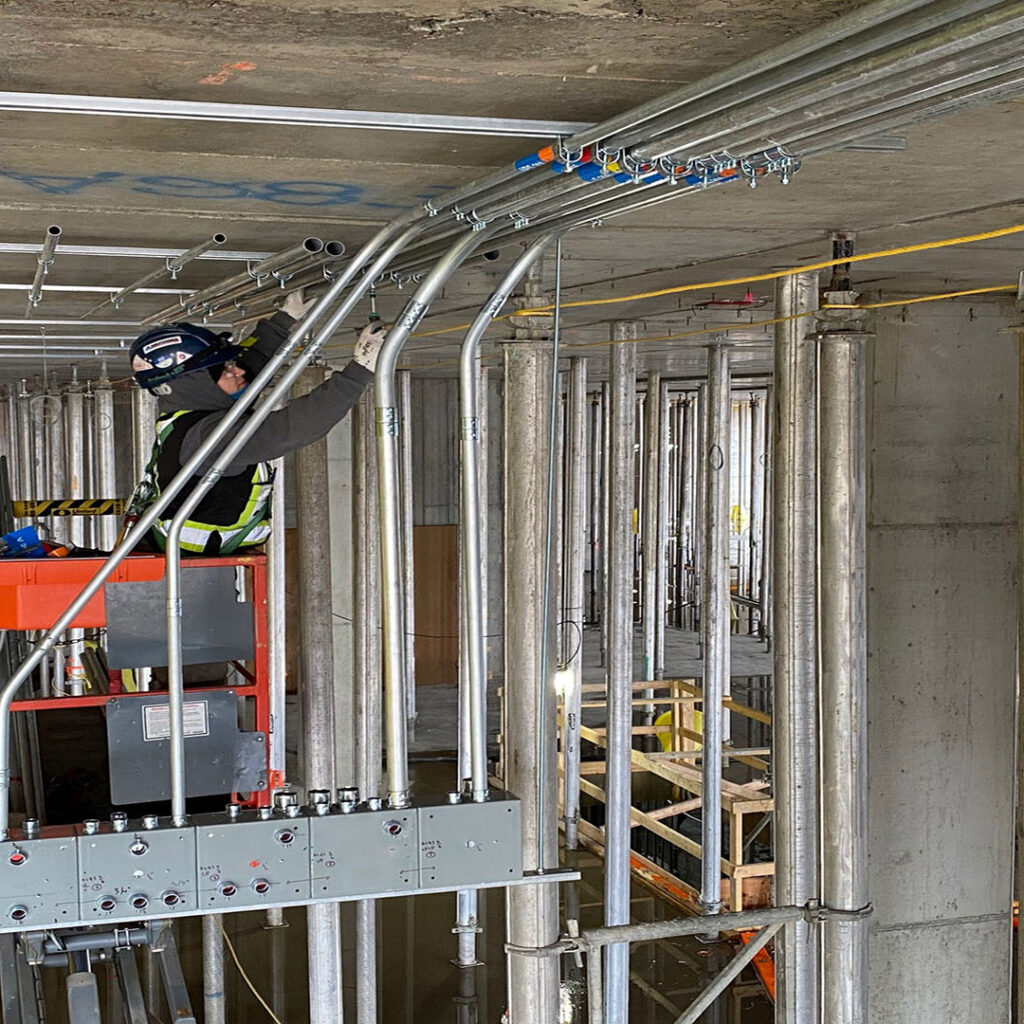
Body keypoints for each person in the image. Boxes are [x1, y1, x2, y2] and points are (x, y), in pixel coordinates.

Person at [126, 291, 385, 554]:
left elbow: (247, 367)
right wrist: (359, 371)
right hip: (196, 561)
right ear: (194, 382)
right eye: (226, 369)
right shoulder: (206, 438)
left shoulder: (195, 408)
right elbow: (290, 430)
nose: (237, 370)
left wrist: (283, 321)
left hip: (210, 549)